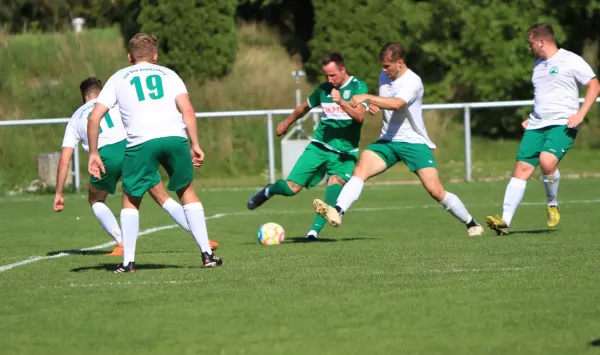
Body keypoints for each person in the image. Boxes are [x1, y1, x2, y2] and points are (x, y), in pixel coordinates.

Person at [313, 42, 484, 237]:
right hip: (388, 140)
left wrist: (368, 98)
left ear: (400, 63)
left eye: (387, 66)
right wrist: (375, 106)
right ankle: (338, 211)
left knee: (436, 192)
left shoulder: (413, 81)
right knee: (361, 169)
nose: (383, 70)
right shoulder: (383, 76)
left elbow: (396, 104)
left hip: (413, 142)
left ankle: (471, 222)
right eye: (382, 66)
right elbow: (386, 102)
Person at [87, 33, 222, 272]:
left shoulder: (118, 77)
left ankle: (128, 262)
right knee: (187, 191)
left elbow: (95, 117)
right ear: (155, 56)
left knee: (131, 197)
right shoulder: (170, 74)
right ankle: (207, 254)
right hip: (174, 138)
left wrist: (93, 152)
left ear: (130, 57)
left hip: (141, 142)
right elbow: (187, 110)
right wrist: (196, 143)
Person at [54, 78, 219, 256]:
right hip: (132, 150)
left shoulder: (75, 117)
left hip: (105, 156)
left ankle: (121, 243)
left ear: (82, 98)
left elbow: (65, 159)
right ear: (102, 92)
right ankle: (202, 238)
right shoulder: (114, 103)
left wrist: (59, 193)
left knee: (96, 199)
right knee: (163, 198)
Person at [486, 23, 599, 235]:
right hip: (536, 125)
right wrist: (533, 118)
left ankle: (552, 204)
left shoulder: (570, 60)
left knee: (547, 161)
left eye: (531, 44)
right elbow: (544, 96)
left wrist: (581, 114)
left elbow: (594, 85)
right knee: (521, 169)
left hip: (562, 124)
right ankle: (505, 221)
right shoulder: (538, 66)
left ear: (541, 42)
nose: (529, 48)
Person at [247, 53, 368, 241]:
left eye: (333, 75)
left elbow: (360, 116)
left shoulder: (358, 87)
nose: (330, 79)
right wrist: (287, 123)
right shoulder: (323, 90)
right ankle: (269, 190)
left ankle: (313, 232)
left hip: (345, 154)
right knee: (291, 189)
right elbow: (303, 108)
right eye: (326, 75)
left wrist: (341, 102)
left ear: (343, 70)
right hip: (320, 146)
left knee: (334, 187)